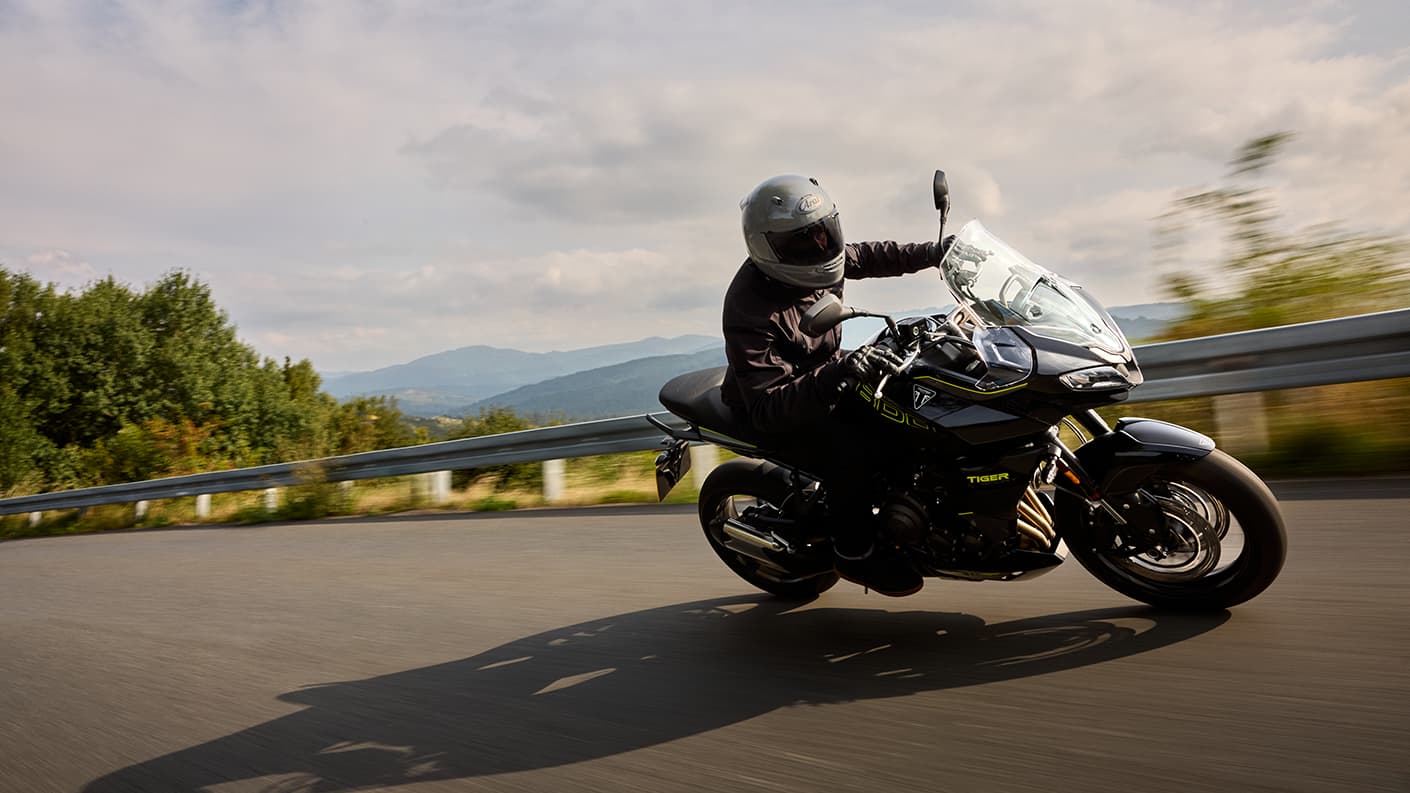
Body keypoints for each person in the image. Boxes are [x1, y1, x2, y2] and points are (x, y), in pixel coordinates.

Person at [720, 174, 949, 597]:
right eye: (803, 242)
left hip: (829, 372)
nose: (820, 247)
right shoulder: (748, 308)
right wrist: (836, 375)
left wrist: (937, 254)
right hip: (779, 401)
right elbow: (768, 406)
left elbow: (873, 256)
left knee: (912, 397)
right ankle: (854, 551)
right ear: (766, 246)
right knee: (856, 446)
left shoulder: (823, 258)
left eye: (824, 233)